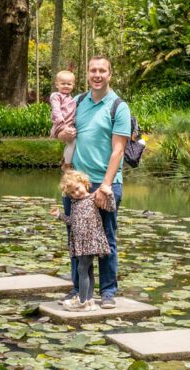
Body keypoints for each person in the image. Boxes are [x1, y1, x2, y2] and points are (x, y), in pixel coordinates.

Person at [57, 55, 131, 309]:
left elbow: (118, 151)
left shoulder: (118, 106)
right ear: (87, 75)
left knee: (106, 238)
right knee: (75, 237)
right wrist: (61, 133)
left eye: (102, 70)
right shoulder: (77, 101)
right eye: (92, 70)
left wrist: (106, 186)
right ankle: (78, 290)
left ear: (110, 74)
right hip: (76, 184)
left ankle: (108, 292)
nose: (97, 75)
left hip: (104, 184)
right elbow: (59, 131)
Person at [56, 170, 114, 311]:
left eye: (77, 188)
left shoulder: (94, 198)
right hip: (80, 242)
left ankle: (82, 302)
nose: (76, 193)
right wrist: (59, 215)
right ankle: (89, 300)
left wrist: (110, 194)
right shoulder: (75, 203)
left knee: (82, 269)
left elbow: (111, 207)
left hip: (91, 241)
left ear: (84, 183)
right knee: (87, 270)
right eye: (72, 193)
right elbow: (73, 221)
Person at [49, 70, 77, 169]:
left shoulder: (71, 98)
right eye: (63, 83)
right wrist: (63, 124)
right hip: (61, 124)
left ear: (73, 85)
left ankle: (65, 160)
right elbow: (56, 111)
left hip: (69, 124)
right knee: (72, 142)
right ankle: (67, 164)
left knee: (72, 143)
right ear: (57, 85)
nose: (66, 86)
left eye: (69, 84)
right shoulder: (56, 96)